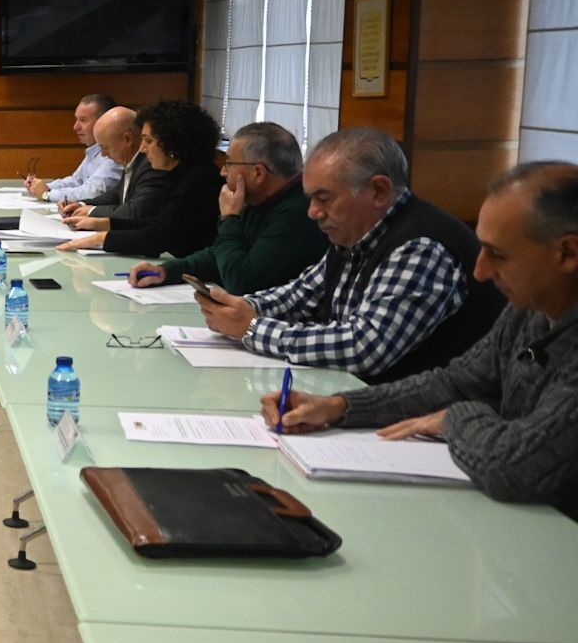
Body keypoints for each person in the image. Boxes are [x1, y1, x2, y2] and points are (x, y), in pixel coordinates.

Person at [264, 162, 578, 516]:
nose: (481, 271)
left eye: (499, 254)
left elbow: (516, 468)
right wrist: (340, 407)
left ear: (568, 253)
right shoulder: (531, 307)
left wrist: (456, 419)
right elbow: (455, 382)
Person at [194, 127, 505, 383]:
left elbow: (364, 348)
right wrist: (243, 306)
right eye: (310, 198)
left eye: (324, 198)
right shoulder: (357, 234)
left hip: (428, 425)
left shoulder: (421, 246)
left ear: (379, 191)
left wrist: (251, 327)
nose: (313, 212)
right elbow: (302, 295)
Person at [127, 121, 329, 295]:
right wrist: (167, 271)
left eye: (229, 163)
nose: (223, 171)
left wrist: (229, 218)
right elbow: (219, 255)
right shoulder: (259, 199)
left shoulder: (299, 213)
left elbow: (241, 282)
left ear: (258, 173)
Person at [58, 99, 222, 257]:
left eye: (148, 141)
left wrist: (100, 238)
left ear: (173, 143)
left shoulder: (199, 180)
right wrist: (102, 223)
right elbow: (157, 223)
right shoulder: (182, 173)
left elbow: (156, 237)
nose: (142, 149)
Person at [24, 92, 121, 205]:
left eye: (83, 120)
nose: (75, 127)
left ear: (103, 123)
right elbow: (76, 181)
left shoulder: (114, 155)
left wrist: (48, 194)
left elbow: (93, 192)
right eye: (77, 119)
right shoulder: (94, 150)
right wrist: (42, 186)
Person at [60, 106, 147, 223]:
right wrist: (81, 204)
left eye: (106, 147)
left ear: (127, 139)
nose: (103, 154)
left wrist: (91, 211)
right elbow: (114, 196)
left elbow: (134, 212)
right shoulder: (132, 162)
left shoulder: (150, 166)